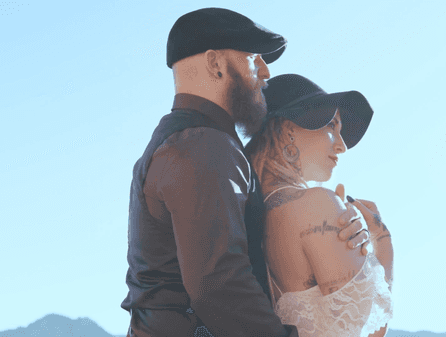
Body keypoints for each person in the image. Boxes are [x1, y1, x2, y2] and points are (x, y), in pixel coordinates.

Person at [121, 8, 371, 336]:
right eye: (254, 58)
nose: (265, 72)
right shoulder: (204, 145)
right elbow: (219, 285)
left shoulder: (182, 140)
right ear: (215, 63)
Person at [245, 74, 394, 337]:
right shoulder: (317, 205)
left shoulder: (249, 212)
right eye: (331, 127)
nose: (342, 146)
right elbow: (370, 333)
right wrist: (382, 241)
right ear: (288, 129)